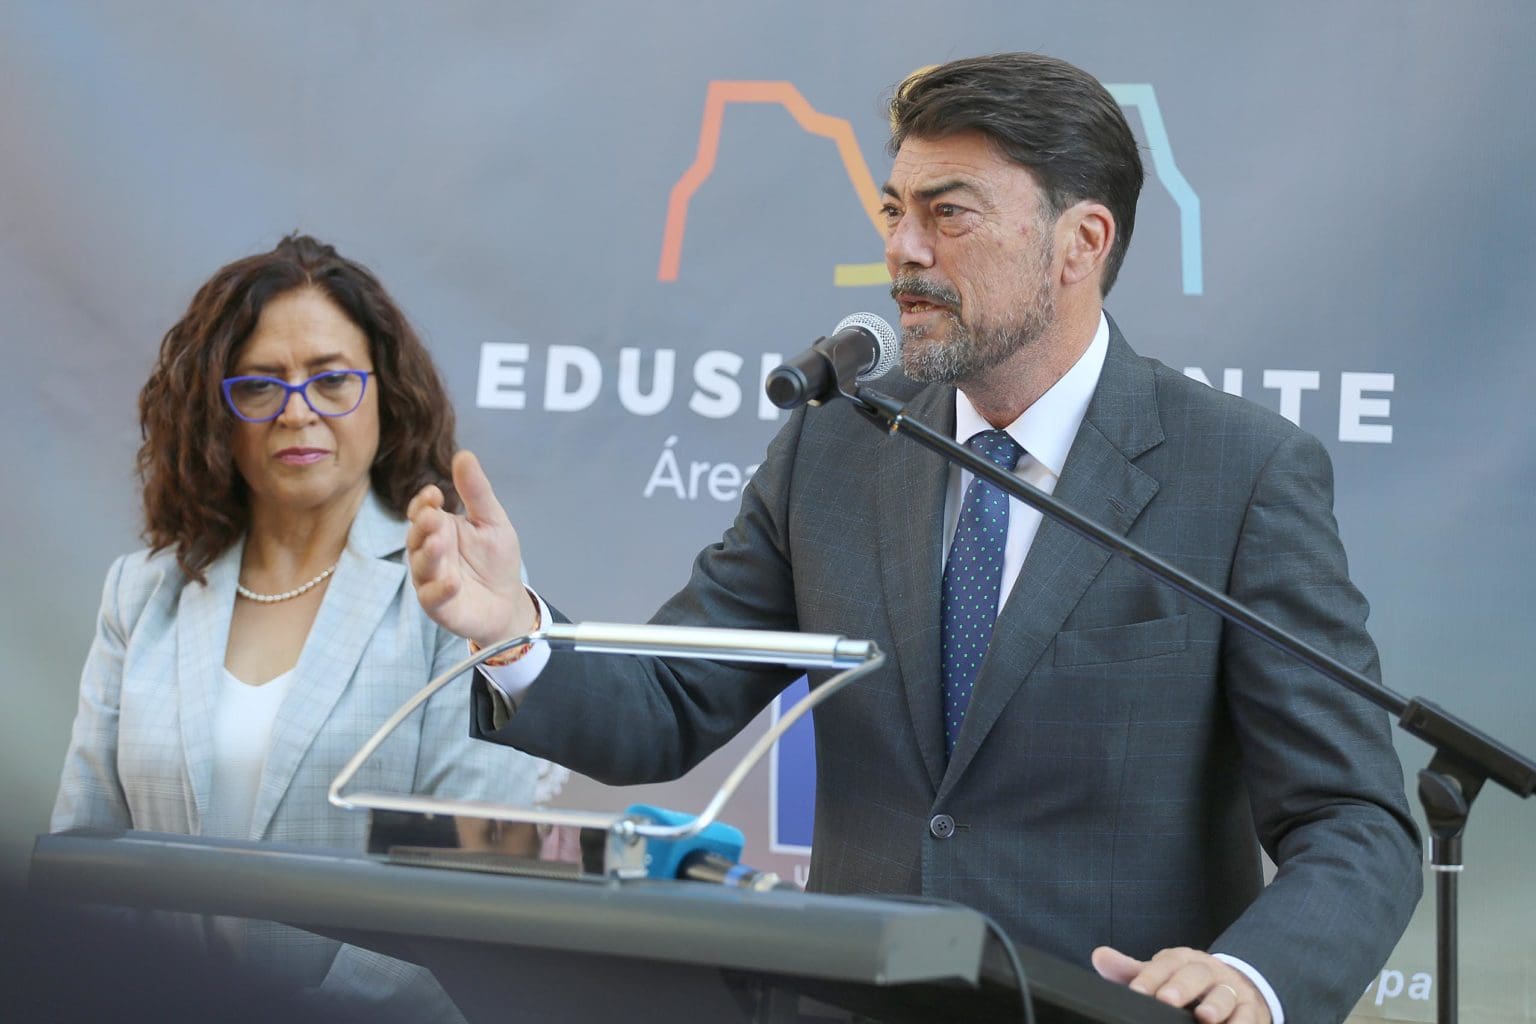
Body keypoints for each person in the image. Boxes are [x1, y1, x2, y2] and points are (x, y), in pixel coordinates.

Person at [406, 54, 1422, 1024]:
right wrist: (515, 632)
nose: (904, 249)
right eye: (895, 210)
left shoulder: (1237, 474)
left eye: (949, 213)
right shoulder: (838, 443)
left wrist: (1249, 978)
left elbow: (1353, 818)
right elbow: (672, 700)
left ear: (1081, 242)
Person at [51, 233, 563, 1022]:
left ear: (387, 393)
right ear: (216, 411)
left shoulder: (456, 593)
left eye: (331, 380)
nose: (297, 411)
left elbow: (468, 880)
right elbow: (83, 856)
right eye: (260, 385)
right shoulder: (141, 592)